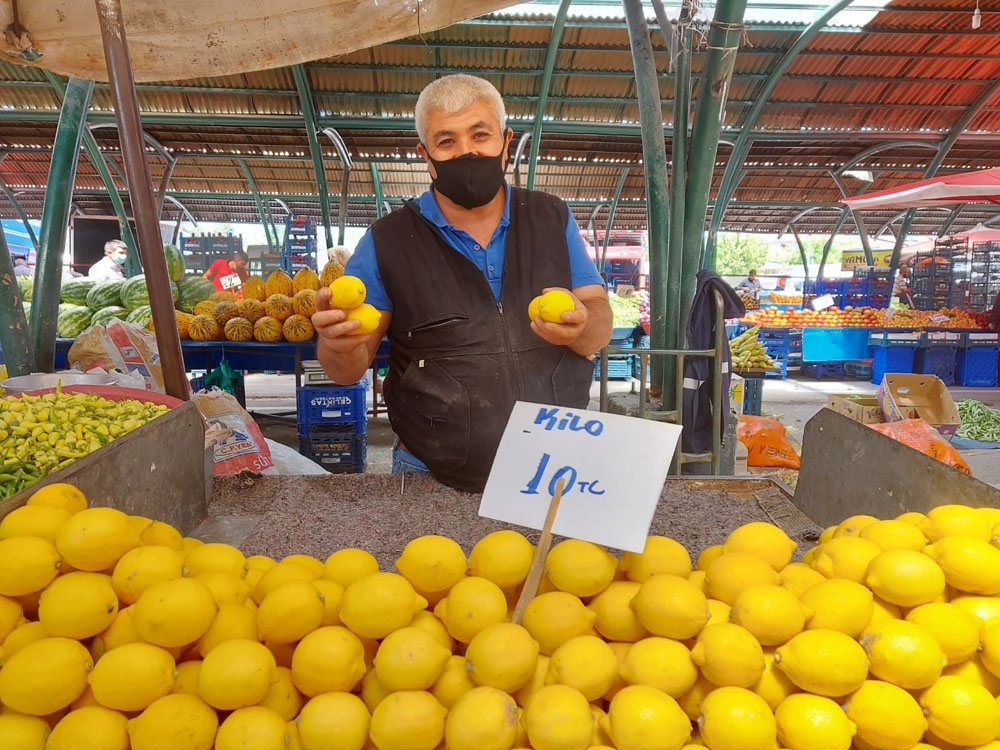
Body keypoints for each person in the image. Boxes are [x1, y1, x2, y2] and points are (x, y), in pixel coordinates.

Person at [311, 73, 613, 493]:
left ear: (506, 143)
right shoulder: (387, 240)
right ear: (426, 154)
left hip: (553, 466)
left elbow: (598, 324)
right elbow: (347, 369)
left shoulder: (551, 217)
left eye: (480, 134)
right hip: (428, 471)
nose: (467, 151)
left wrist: (582, 327)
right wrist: (336, 345)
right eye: (447, 141)